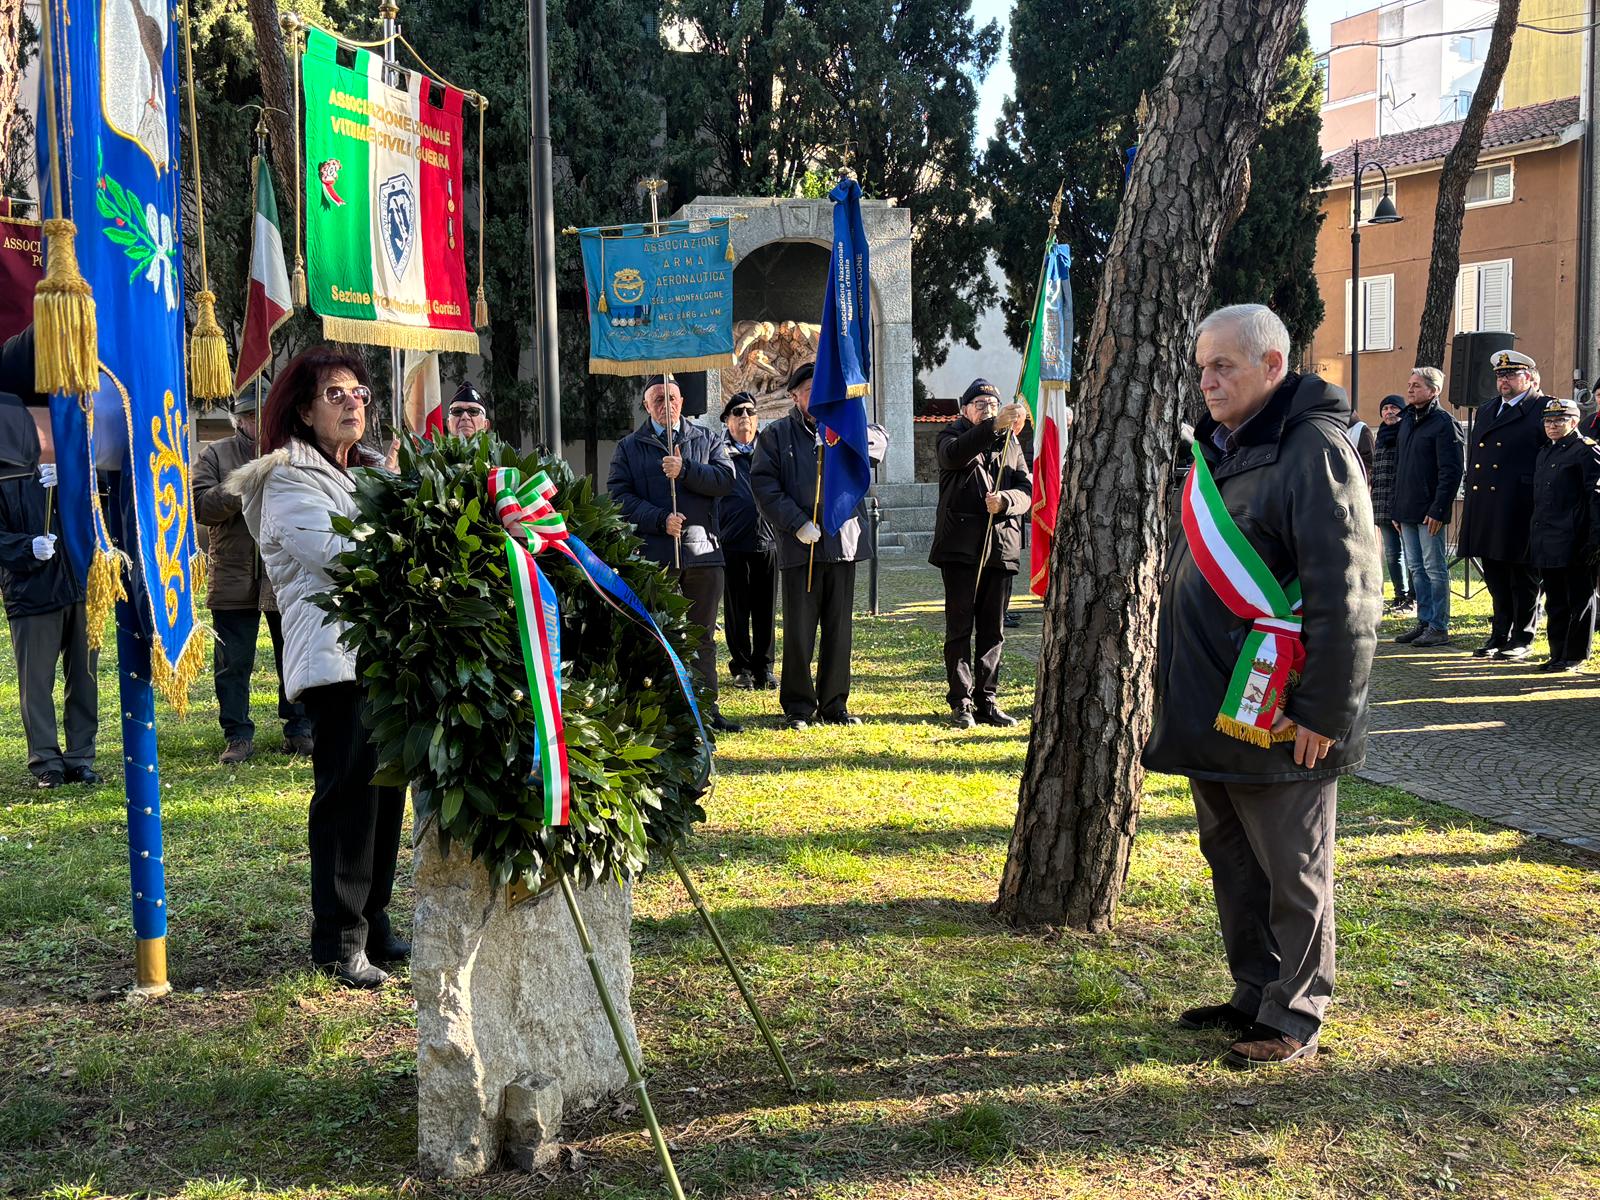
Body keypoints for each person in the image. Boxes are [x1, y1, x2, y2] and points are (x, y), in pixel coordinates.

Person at [1144, 304, 1380, 1069]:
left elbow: (1346, 589)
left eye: (1224, 367)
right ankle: (1253, 991)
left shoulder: (1312, 448)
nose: (1206, 382)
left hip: (1280, 713)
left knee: (1291, 870)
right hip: (1217, 705)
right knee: (1235, 861)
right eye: (1202, 367)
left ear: (1273, 366)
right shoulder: (1227, 446)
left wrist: (1323, 712)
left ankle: (1297, 1013)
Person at [225, 347, 406, 989]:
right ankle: (338, 938)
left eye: (359, 392)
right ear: (303, 409)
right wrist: (402, 525)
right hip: (334, 659)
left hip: (382, 656)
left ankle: (375, 920)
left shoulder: (363, 473)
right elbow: (335, 554)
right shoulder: (284, 477)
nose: (354, 401)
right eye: (336, 393)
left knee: (387, 797)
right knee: (347, 798)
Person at [751, 360, 889, 730]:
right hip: (802, 546)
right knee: (799, 630)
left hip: (842, 542)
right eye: (810, 390)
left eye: (823, 389)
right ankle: (798, 706)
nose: (817, 396)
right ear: (795, 396)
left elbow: (876, 447)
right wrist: (795, 523)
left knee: (838, 629)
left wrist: (856, 426)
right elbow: (764, 484)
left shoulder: (845, 430)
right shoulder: (776, 435)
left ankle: (834, 704)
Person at [607, 374, 741, 733]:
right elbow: (619, 497)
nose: (667, 405)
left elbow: (725, 481)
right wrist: (659, 519)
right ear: (646, 406)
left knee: (702, 637)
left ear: (683, 401)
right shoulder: (630, 447)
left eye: (672, 397)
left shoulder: (706, 438)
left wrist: (686, 471)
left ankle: (706, 712)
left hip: (703, 552)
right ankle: (661, 712)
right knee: (657, 636)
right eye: (658, 400)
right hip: (655, 555)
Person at [193, 391, 314, 764]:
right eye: (249, 416)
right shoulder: (216, 454)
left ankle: (299, 729)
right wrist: (245, 482)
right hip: (234, 573)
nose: (257, 423)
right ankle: (237, 734)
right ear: (238, 420)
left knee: (293, 656)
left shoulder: (296, 452)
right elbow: (202, 506)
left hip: (284, 573)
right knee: (233, 662)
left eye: (263, 414)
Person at [0, 378, 99, 789]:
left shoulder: (64, 470)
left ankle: (80, 755)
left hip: (77, 583)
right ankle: (45, 760)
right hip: (32, 589)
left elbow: (101, 509)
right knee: (36, 682)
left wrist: (72, 484)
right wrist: (27, 547)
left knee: (85, 677)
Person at [930, 379, 1032, 728]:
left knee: (993, 629)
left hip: (1001, 546)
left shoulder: (1010, 444)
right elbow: (954, 456)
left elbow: (1025, 488)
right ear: (965, 410)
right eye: (980, 405)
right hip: (961, 549)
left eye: (993, 404)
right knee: (960, 628)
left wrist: (1006, 502)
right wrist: (993, 427)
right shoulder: (952, 436)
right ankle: (961, 701)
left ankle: (987, 699)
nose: (987, 409)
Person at [1458, 350, 1547, 660]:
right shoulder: (1487, 410)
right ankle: (1500, 634)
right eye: (1499, 375)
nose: (1503, 380)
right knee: (1495, 575)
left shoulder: (1542, 408)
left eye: (1511, 374)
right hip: (1488, 505)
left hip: (1521, 505)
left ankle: (1523, 637)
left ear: (1530, 377)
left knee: (1522, 577)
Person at [1391, 367, 1465, 648]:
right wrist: (1396, 509)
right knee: (1416, 568)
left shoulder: (1444, 422)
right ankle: (1423, 621)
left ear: (1434, 391)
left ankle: (1438, 626)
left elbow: (1451, 471)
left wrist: (1439, 509)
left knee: (1434, 568)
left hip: (1429, 510)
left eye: (1417, 386)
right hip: (1406, 509)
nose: (1409, 390)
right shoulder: (1406, 420)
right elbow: (1401, 467)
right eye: (1409, 385)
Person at [1529, 397, 1600, 672]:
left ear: (1573, 421)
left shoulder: (1586, 451)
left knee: (1579, 600)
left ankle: (1575, 654)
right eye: (1548, 421)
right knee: (1555, 600)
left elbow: (1595, 497)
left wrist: (1595, 538)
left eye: (1559, 420)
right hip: (1548, 539)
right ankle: (1557, 653)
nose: (1553, 426)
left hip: (1576, 538)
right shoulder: (1546, 452)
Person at [717, 391, 777, 690]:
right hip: (732, 540)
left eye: (750, 413)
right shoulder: (717, 451)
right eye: (737, 413)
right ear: (727, 420)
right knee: (737, 608)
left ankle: (764, 667)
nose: (745, 418)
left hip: (767, 538)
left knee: (765, 607)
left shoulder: (768, 448)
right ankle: (741, 666)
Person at [1369, 395, 1410, 612]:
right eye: (1385, 408)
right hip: (1381, 504)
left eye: (1394, 407)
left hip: (1402, 504)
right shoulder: (1381, 436)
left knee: (1412, 554)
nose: (1389, 411)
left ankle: (1413, 597)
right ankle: (1399, 595)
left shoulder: (1406, 434)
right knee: (1393, 554)